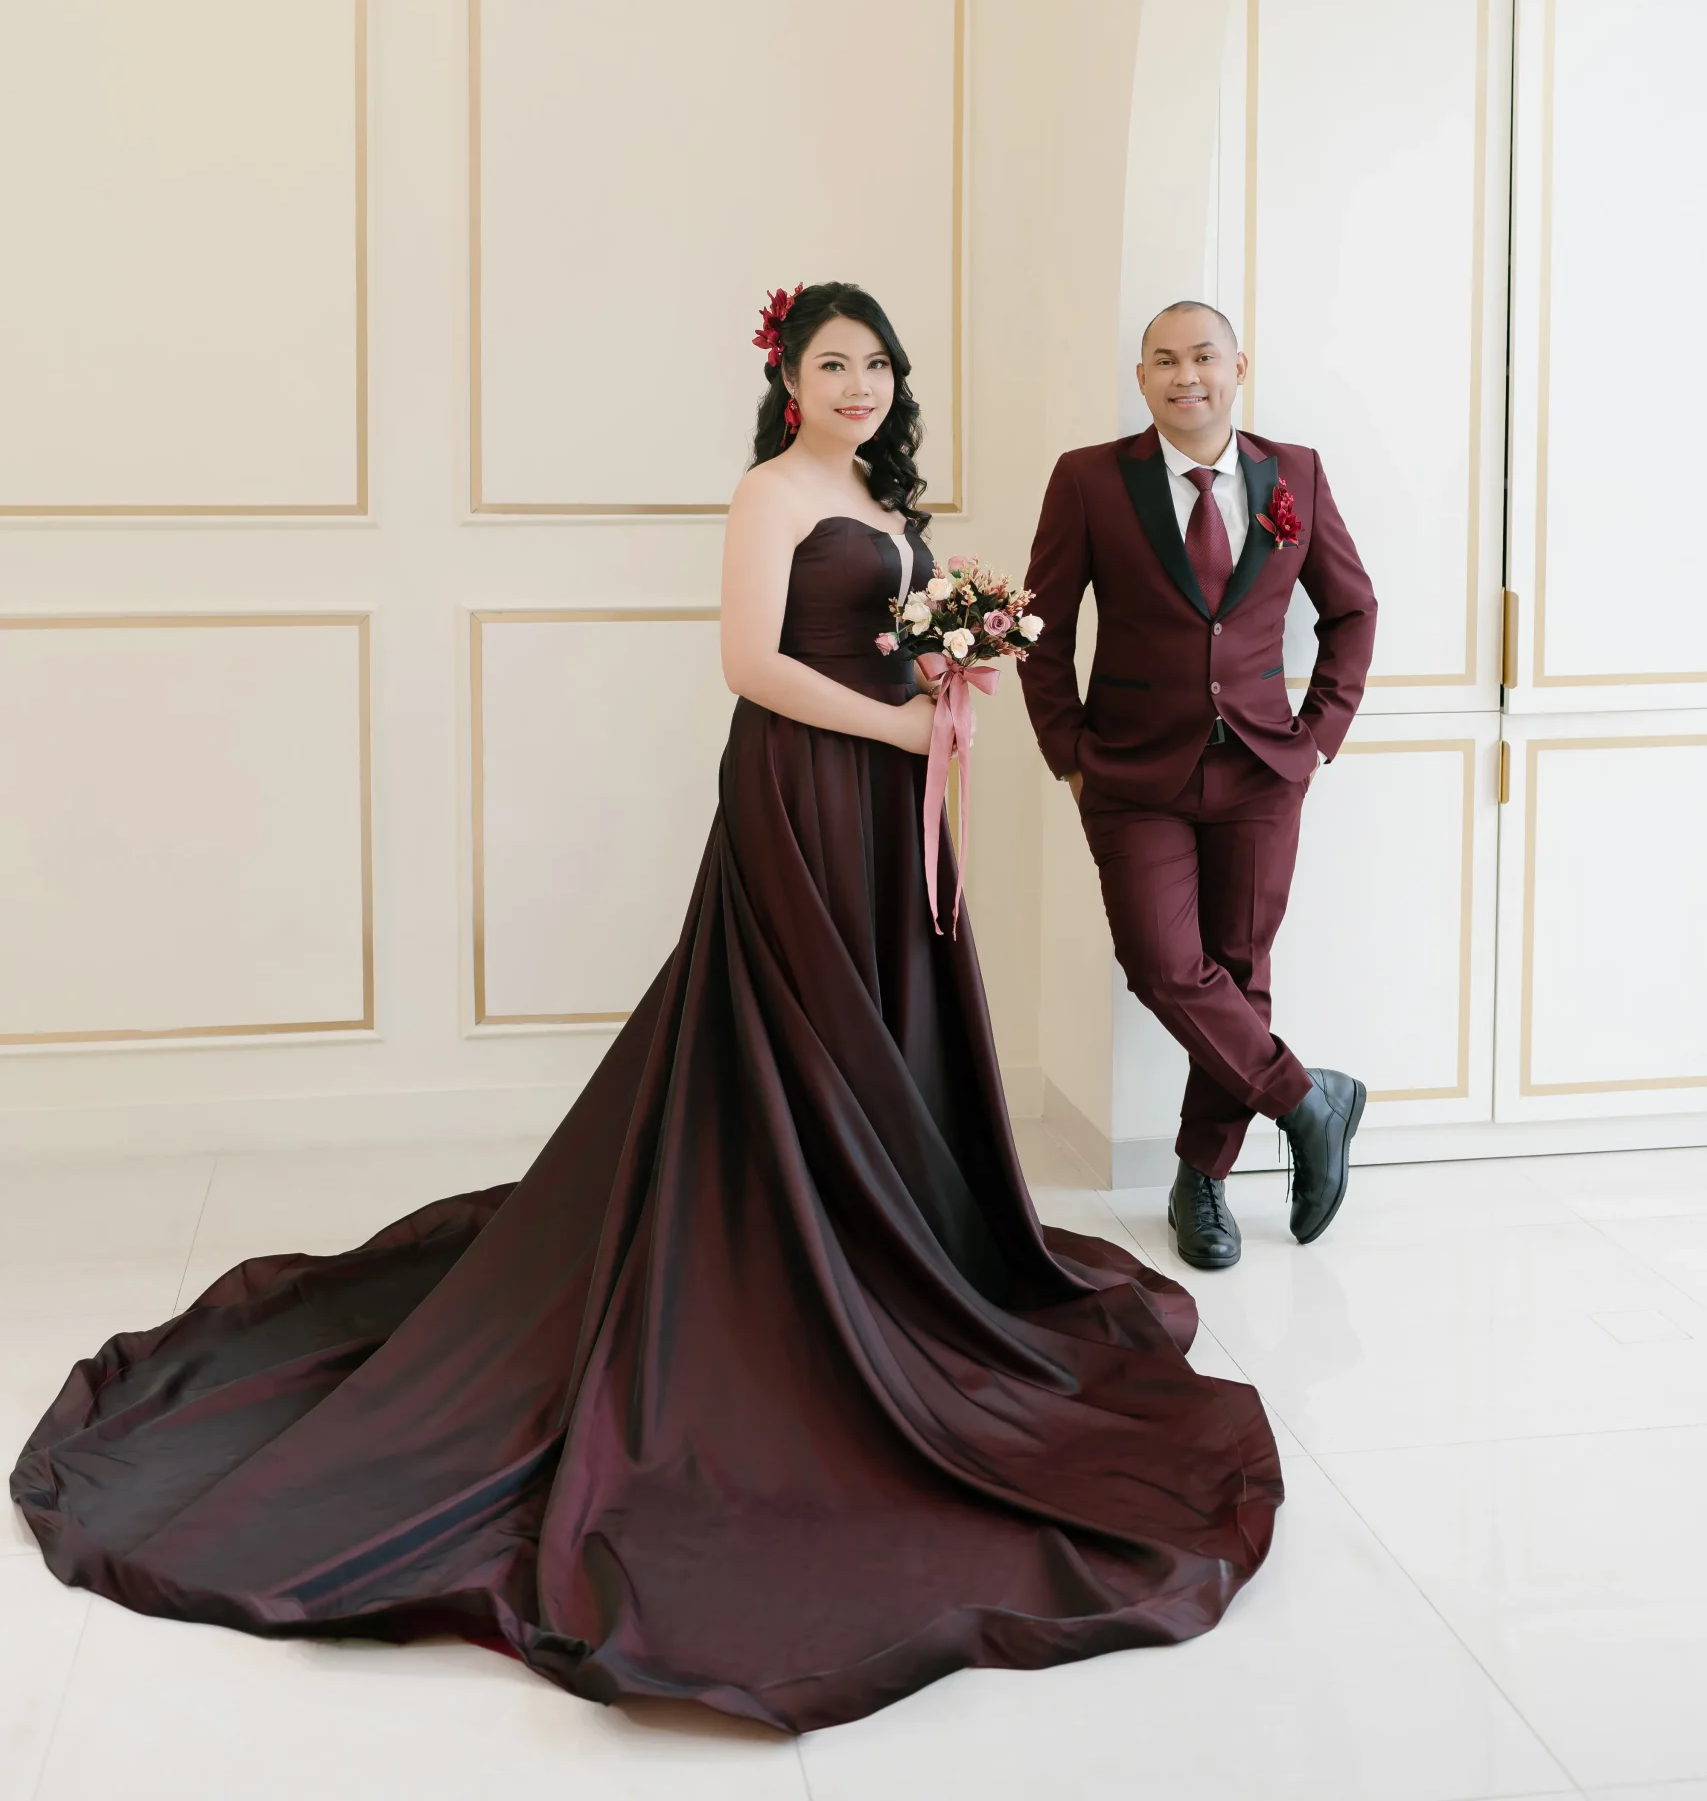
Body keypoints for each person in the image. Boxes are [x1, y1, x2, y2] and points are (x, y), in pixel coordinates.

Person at [13, 282, 1282, 1734]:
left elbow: (892, 645)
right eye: (832, 364)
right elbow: (751, 665)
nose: (858, 385)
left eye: (875, 364)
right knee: (799, 1035)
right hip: (803, 792)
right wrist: (898, 717)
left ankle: (885, 1255)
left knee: (877, 1036)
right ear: (787, 378)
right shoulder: (769, 493)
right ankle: (798, 1279)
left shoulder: (877, 496)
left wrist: (944, 683)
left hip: (886, 800)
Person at [1023, 301, 1377, 1273]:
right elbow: (1042, 630)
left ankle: (1201, 1182)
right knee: (1161, 962)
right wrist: (1070, 752)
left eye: (1204, 357)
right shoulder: (1090, 478)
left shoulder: (1295, 472)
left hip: (1264, 767)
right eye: (1165, 360)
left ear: (1238, 367)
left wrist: (1317, 740)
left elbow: (1351, 610)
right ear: (1141, 376)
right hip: (1131, 770)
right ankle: (1307, 1100)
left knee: (1239, 967)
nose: (1187, 376)